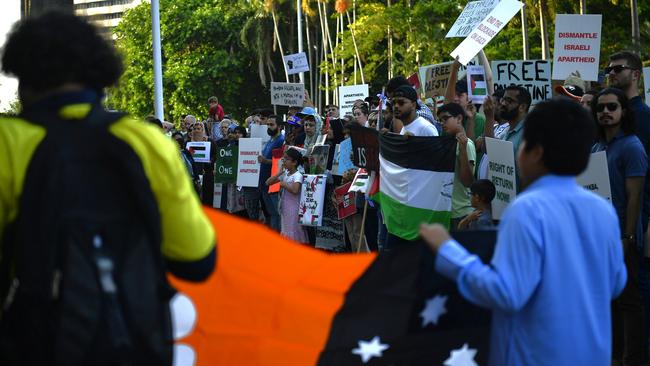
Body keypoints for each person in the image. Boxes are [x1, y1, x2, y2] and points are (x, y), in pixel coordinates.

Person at [0, 12, 216, 364]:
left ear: (22, 76)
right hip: (136, 339)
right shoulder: (146, 140)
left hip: (35, 344)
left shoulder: (6, 143)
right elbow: (196, 259)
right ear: (100, 74)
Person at [420, 99, 627, 366]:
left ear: (536, 152)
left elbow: (506, 293)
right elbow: (615, 282)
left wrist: (448, 251)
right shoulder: (602, 210)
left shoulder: (527, 209)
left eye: (523, 145)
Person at [591, 88, 648, 365]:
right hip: (600, 238)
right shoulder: (597, 147)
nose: (605, 112)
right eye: (601, 107)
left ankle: (632, 359)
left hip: (623, 239)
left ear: (623, 111)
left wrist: (626, 237)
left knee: (629, 301)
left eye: (612, 107)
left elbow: (635, 196)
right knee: (607, 301)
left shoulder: (632, 146)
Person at [484, 85, 531, 192]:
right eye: (503, 99)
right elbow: (490, 153)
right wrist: (489, 117)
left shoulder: (528, 133)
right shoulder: (507, 131)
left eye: (509, 101)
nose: (503, 104)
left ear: (522, 107)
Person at [438, 103, 476, 228]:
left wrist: (463, 150)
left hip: (461, 213)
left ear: (459, 118)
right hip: (447, 212)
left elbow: (467, 181)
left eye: (446, 119)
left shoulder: (467, 145)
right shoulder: (449, 143)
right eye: (440, 120)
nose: (442, 123)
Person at [266, 148, 308, 244]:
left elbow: (295, 190)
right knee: (286, 229)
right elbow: (268, 182)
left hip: (294, 208)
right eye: (283, 159)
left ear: (294, 162)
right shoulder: (286, 174)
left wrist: (283, 184)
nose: (284, 161)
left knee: (293, 229)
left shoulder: (298, 175)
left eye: (287, 159)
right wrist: (279, 173)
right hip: (285, 208)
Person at [257, 115, 285, 232]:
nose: (268, 127)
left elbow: (282, 161)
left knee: (276, 213)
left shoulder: (281, 141)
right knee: (270, 213)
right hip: (264, 183)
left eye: (271, 124)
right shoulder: (270, 140)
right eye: (267, 124)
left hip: (273, 183)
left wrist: (266, 161)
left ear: (279, 126)